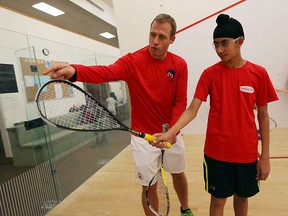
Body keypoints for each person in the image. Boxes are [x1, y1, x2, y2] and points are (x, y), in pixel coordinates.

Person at [43, 13, 194, 216]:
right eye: (152, 34)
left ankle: (185, 210)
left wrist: (172, 131)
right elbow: (106, 72)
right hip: (143, 139)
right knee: (148, 186)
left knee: (177, 173)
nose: (155, 41)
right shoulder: (133, 61)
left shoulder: (179, 65)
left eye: (162, 37)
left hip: (171, 134)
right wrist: (75, 71)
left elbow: (180, 102)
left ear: (172, 39)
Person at [154, 14, 279, 216]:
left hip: (247, 153)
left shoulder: (259, 73)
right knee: (218, 201)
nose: (220, 50)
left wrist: (264, 156)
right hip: (217, 154)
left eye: (224, 43)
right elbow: (192, 109)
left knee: (241, 198)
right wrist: (172, 132)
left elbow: (263, 116)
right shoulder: (209, 74)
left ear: (240, 42)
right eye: (216, 44)